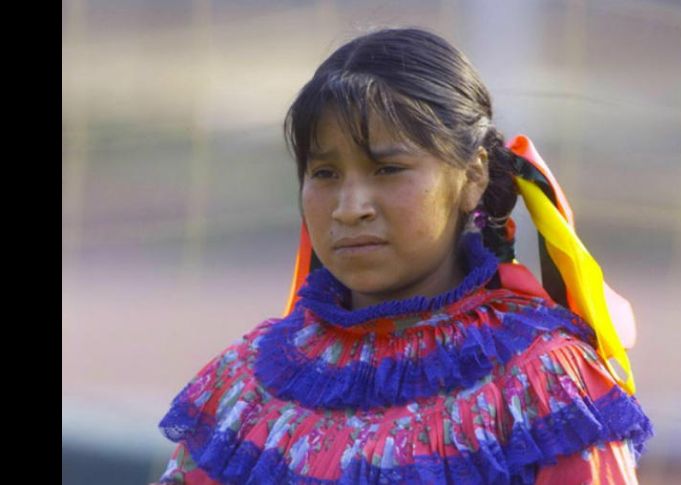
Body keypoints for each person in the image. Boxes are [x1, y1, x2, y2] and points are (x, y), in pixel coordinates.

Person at [154, 27, 653, 484]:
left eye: (388, 169)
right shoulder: (247, 387)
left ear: (473, 176)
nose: (350, 208)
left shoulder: (544, 386)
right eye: (325, 174)